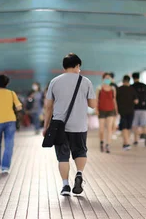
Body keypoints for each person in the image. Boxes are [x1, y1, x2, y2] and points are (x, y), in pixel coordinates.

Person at [44, 53, 97, 196]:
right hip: (79, 125)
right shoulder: (85, 82)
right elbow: (93, 105)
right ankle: (79, 174)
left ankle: (65, 186)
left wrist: (45, 126)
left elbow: (48, 107)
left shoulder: (54, 82)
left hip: (59, 126)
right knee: (80, 151)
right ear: (77, 66)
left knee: (62, 156)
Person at [97, 72, 118, 153]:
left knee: (109, 128)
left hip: (111, 110)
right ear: (103, 79)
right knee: (101, 129)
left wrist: (116, 110)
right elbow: (97, 100)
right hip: (101, 110)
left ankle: (108, 145)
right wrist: (96, 110)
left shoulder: (113, 89)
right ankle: (102, 142)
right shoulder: (99, 88)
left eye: (109, 78)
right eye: (106, 78)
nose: (107, 80)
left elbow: (114, 100)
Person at [116, 75, 138, 151]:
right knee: (128, 127)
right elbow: (136, 101)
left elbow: (115, 100)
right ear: (129, 81)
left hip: (122, 110)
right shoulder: (132, 89)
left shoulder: (119, 89)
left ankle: (126, 143)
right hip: (131, 110)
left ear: (123, 81)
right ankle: (126, 143)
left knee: (124, 127)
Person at [131, 72, 146, 147]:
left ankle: (136, 140)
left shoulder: (131, 87)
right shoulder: (145, 86)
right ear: (139, 77)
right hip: (144, 108)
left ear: (133, 78)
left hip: (134, 108)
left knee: (135, 125)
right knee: (144, 124)